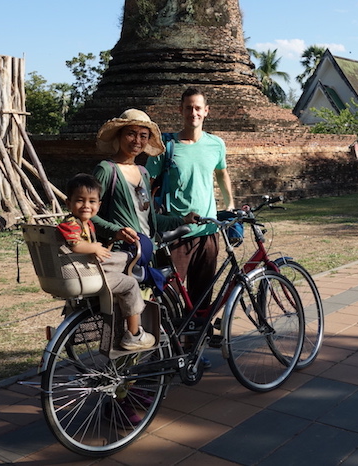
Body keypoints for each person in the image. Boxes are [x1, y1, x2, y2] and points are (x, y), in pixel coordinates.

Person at [146, 87, 235, 308]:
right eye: (188, 108)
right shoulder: (166, 146)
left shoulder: (216, 144)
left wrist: (230, 204)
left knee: (203, 293)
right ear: (181, 110)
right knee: (170, 296)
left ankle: (198, 338)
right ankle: (172, 340)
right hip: (176, 231)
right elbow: (146, 183)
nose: (193, 113)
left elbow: (222, 173)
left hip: (208, 230)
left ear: (206, 111)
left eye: (197, 108)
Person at [57, 173, 155, 351]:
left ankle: (135, 268)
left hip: (89, 269)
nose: (86, 206)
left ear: (99, 205)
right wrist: (94, 247)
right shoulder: (71, 224)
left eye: (92, 201)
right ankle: (134, 335)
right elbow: (75, 245)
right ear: (68, 203)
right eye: (80, 200)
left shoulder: (86, 223)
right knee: (130, 284)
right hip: (86, 274)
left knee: (126, 257)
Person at [91, 109, 197, 251]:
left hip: (146, 251)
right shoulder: (107, 170)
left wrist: (183, 220)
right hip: (121, 252)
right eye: (131, 134)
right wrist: (116, 231)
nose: (137, 141)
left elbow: (149, 218)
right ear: (119, 135)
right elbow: (86, 214)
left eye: (143, 136)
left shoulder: (143, 173)